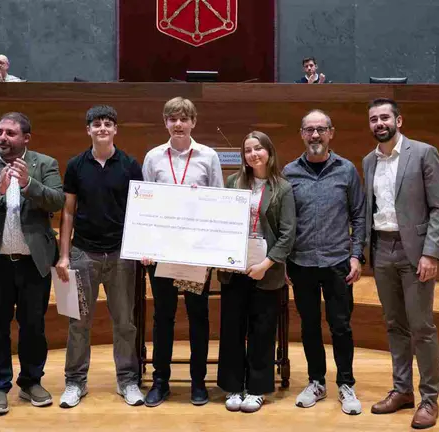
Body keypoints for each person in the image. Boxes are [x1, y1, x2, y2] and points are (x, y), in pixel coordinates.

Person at [0, 112, 65, 415]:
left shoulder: (44, 164)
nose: (3, 137)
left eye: (10, 133)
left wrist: (29, 183)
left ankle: (31, 381)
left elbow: (57, 201)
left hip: (34, 263)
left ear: (26, 139)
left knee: (34, 327)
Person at [364, 98, 439, 429]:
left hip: (415, 251)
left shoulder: (424, 153)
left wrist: (431, 252)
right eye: (373, 119)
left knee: (422, 327)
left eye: (385, 117)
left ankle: (429, 399)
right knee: (394, 325)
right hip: (382, 249)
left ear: (399, 121)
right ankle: (402, 391)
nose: (379, 123)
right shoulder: (368, 160)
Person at [54, 105, 144, 408]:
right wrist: (64, 256)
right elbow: (68, 211)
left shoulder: (131, 165)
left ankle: (128, 380)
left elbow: (140, 211)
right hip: (83, 253)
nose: (102, 128)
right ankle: (75, 382)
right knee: (78, 323)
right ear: (88, 129)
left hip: (121, 254)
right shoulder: (76, 165)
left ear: (116, 129)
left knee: (125, 323)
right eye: (96, 124)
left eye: (108, 124)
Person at [141, 96, 224, 407]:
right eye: (172, 119)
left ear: (193, 122)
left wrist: (212, 248)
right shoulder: (152, 157)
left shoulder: (208, 156)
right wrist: (145, 245)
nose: (178, 124)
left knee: (197, 316)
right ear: (165, 122)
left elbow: (218, 202)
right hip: (162, 252)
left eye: (183, 119)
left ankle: (198, 382)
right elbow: (144, 204)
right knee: (163, 317)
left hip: (195, 253)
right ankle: (160, 381)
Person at [283, 110, 365, 415]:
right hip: (301, 263)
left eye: (321, 130)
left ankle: (346, 384)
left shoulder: (347, 170)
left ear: (331, 132)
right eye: (309, 130)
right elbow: (284, 220)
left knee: (340, 325)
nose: (315, 135)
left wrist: (356, 255)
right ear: (301, 134)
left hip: (337, 262)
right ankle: (316, 381)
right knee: (309, 327)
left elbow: (358, 214)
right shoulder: (289, 172)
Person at [217, 131, 296, 413]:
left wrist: (266, 265)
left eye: (258, 148)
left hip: (267, 270)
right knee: (232, 329)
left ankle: (257, 388)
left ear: (269, 152)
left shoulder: (282, 188)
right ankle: (233, 386)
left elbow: (288, 234)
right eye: (248, 150)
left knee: (262, 330)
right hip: (234, 268)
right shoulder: (232, 182)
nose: (253, 154)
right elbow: (222, 223)